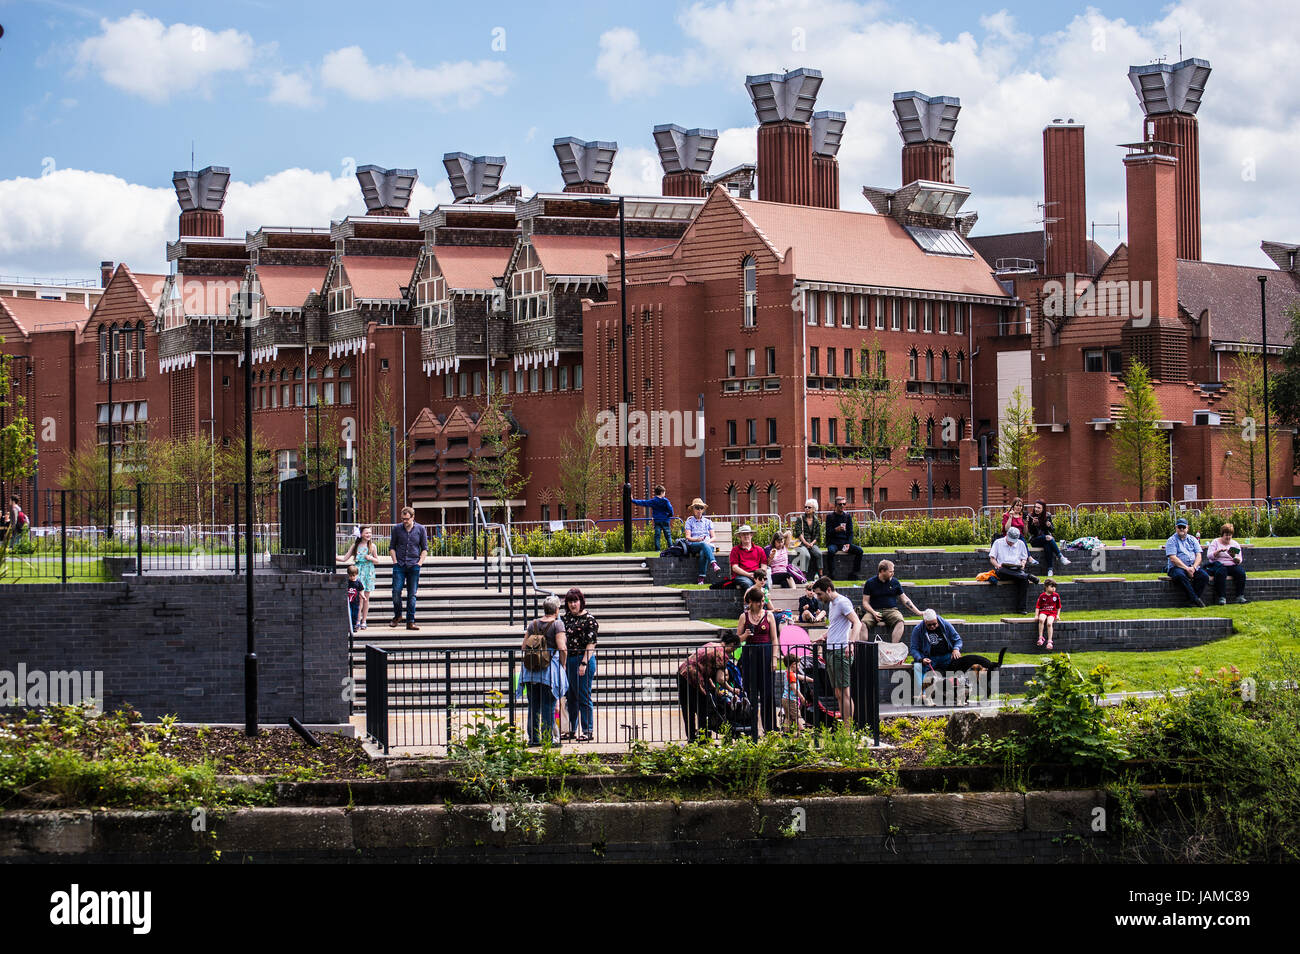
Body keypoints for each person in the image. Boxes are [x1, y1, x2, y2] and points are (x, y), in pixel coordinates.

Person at [811, 576, 861, 726]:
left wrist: (850, 644)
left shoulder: (842, 602)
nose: (818, 598)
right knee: (838, 693)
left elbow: (857, 623)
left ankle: (848, 730)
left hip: (841, 651)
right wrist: (824, 636)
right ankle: (844, 726)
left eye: (819, 594)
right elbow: (836, 626)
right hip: (832, 650)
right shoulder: (833, 604)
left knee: (845, 692)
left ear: (828, 590)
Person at [519, 595, 568, 746]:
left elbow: (523, 646)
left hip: (530, 671)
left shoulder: (533, 624)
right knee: (548, 704)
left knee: (533, 705)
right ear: (557, 609)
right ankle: (548, 739)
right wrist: (563, 664)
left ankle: (533, 739)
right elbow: (562, 647)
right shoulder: (557, 624)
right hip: (548, 670)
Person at [677, 634, 741, 738]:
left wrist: (713, 687)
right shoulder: (722, 654)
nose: (732, 652)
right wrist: (732, 689)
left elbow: (705, 668)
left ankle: (691, 738)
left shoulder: (711, 645)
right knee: (702, 709)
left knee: (688, 709)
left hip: (682, 673)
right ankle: (703, 739)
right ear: (733, 644)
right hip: (693, 678)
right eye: (734, 649)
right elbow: (720, 679)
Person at [737, 585, 779, 736]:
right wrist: (745, 635)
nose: (761, 604)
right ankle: (750, 727)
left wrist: (774, 658)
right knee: (749, 692)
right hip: (749, 655)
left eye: (762, 601)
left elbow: (774, 639)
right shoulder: (744, 616)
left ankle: (770, 727)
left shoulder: (769, 616)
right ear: (750, 602)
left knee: (768, 693)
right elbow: (737, 640)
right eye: (758, 601)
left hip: (766, 654)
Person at [561, 587, 599, 741]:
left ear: (581, 602)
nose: (573, 604)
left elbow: (591, 643)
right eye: (570, 602)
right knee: (570, 696)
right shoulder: (565, 619)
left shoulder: (589, 619)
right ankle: (571, 729)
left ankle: (587, 730)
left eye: (575, 601)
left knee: (584, 695)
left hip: (583, 659)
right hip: (568, 659)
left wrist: (583, 663)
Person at [860, 559, 923, 643]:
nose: (893, 573)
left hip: (891, 610)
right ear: (882, 571)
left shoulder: (895, 582)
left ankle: (893, 649)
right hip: (874, 610)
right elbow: (865, 602)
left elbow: (905, 599)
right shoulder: (870, 583)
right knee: (863, 624)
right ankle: (863, 650)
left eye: (893, 571)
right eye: (890, 572)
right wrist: (874, 612)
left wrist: (918, 612)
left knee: (900, 622)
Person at [909, 609, 964, 704]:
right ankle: (923, 694)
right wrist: (921, 659)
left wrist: (956, 649)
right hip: (930, 658)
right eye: (929, 625)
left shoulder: (945, 625)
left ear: (937, 620)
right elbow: (914, 648)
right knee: (918, 666)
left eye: (934, 624)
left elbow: (958, 639)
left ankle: (958, 693)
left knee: (960, 662)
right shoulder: (918, 629)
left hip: (947, 656)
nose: (932, 627)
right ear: (924, 621)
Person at [388, 507, 428, 630]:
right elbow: (392, 547)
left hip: (413, 565)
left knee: (412, 594)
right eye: (403, 519)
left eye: (407, 519)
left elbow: (424, 548)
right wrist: (394, 562)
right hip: (399, 565)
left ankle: (410, 621)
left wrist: (420, 563)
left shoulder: (421, 529)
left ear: (413, 517)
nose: (404, 521)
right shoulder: (396, 529)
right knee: (396, 592)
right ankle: (398, 615)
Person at [989, 525, 1038, 615]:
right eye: (1010, 541)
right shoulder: (998, 542)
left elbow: (1024, 558)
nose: (1011, 543)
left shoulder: (1020, 543)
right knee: (1002, 571)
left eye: (1013, 542)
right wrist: (997, 565)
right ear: (1007, 535)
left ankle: (1021, 608)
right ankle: (1027, 576)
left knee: (1024, 581)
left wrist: (1022, 564)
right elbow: (992, 558)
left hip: (1017, 570)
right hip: (1003, 570)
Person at [1165, 517, 1209, 608]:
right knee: (1181, 576)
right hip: (1176, 568)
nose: (1181, 529)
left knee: (1204, 576)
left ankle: (1191, 601)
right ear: (1176, 528)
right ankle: (1196, 599)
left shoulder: (1193, 539)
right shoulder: (1171, 540)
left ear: (1187, 528)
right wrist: (1187, 568)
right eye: (1179, 527)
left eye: (1183, 527)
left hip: (1192, 567)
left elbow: (1199, 555)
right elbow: (1173, 558)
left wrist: (1193, 568)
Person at [340, 526, 378, 630]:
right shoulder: (355, 545)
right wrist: (333, 556)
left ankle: (364, 620)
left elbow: (377, 560)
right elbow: (344, 558)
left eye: (370, 533)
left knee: (366, 597)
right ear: (361, 534)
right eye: (366, 533)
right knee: (359, 598)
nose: (369, 535)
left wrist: (371, 558)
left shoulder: (373, 546)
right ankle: (357, 620)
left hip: (368, 572)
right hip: (358, 571)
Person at [1204, 523, 1248, 605]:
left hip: (1231, 564)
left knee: (1241, 573)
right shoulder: (1216, 542)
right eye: (1226, 535)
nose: (1228, 537)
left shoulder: (1234, 544)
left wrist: (1236, 559)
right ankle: (1222, 597)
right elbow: (1209, 556)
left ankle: (1240, 596)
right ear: (1222, 535)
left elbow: (1239, 559)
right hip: (1219, 564)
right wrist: (1218, 551)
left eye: (1230, 535)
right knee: (1221, 573)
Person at [1026, 500, 1070, 578]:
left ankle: (1050, 570)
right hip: (1035, 540)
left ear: (1043, 509)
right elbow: (1031, 532)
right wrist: (1033, 524)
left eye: (1039, 508)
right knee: (1048, 538)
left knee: (1047, 545)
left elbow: (1052, 530)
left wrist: (1049, 525)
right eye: (1035, 507)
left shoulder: (1047, 516)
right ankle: (1060, 557)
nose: (1036, 509)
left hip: (1046, 540)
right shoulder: (1030, 516)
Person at [684, 498, 722, 585]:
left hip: (707, 545)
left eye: (701, 508)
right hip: (695, 544)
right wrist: (697, 539)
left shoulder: (708, 522)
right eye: (697, 508)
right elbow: (688, 537)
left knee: (703, 553)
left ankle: (701, 579)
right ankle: (714, 564)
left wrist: (708, 541)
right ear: (693, 509)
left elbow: (714, 537)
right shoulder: (689, 522)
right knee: (702, 544)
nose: (699, 510)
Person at [824, 497, 863, 579]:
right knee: (831, 551)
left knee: (859, 551)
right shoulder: (830, 517)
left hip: (844, 543)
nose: (842, 506)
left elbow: (850, 532)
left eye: (844, 504)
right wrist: (836, 529)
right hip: (833, 543)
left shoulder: (847, 516)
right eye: (840, 504)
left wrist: (848, 543)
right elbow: (828, 533)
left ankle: (854, 573)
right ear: (835, 505)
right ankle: (831, 574)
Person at [632, 485, 675, 552]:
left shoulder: (653, 501)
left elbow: (643, 502)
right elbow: (671, 510)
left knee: (657, 536)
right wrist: (669, 515)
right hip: (665, 520)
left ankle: (657, 549)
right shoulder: (666, 501)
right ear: (661, 492)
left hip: (657, 520)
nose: (664, 494)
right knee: (668, 535)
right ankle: (671, 548)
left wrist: (633, 501)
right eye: (664, 492)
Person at [727, 524, 768, 589]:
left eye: (748, 534)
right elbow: (734, 567)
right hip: (742, 575)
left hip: (757, 574)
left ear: (751, 535)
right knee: (748, 584)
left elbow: (764, 565)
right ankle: (751, 599)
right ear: (740, 536)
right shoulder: (735, 550)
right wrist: (748, 574)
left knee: (765, 584)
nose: (746, 536)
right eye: (743, 534)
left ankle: (765, 599)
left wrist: (759, 574)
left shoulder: (759, 549)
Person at [791, 500, 823, 578]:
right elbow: (798, 533)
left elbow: (817, 535)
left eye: (809, 507)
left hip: (811, 543)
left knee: (819, 554)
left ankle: (821, 575)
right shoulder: (800, 519)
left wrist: (812, 543)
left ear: (814, 509)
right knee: (806, 555)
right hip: (801, 543)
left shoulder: (816, 520)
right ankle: (803, 576)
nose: (807, 509)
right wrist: (805, 543)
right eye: (805, 507)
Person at [781, 653, 812, 734]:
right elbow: (794, 689)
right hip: (791, 700)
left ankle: (786, 733)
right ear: (793, 664)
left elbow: (800, 677)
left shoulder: (788, 673)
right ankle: (803, 732)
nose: (798, 667)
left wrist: (812, 680)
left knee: (788, 717)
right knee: (797, 717)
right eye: (798, 665)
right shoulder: (791, 675)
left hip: (785, 699)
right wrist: (802, 698)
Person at [1036, 577, 1062, 650]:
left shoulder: (1056, 595)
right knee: (1041, 620)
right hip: (1043, 611)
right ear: (1046, 587)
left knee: (1049, 623)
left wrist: (1057, 615)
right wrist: (1036, 615)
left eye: (1055, 587)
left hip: (1052, 613)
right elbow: (1038, 606)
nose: (1054, 588)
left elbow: (1058, 607)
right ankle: (1040, 638)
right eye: (1052, 586)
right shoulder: (1042, 596)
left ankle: (1050, 641)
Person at [345, 565, 363, 632]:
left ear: (357, 575)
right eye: (350, 576)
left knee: (355, 614)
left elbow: (361, 589)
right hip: (348, 601)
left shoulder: (358, 582)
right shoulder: (347, 582)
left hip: (355, 602)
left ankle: (354, 626)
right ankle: (349, 626)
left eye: (353, 575)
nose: (352, 577)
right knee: (349, 613)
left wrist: (362, 595)